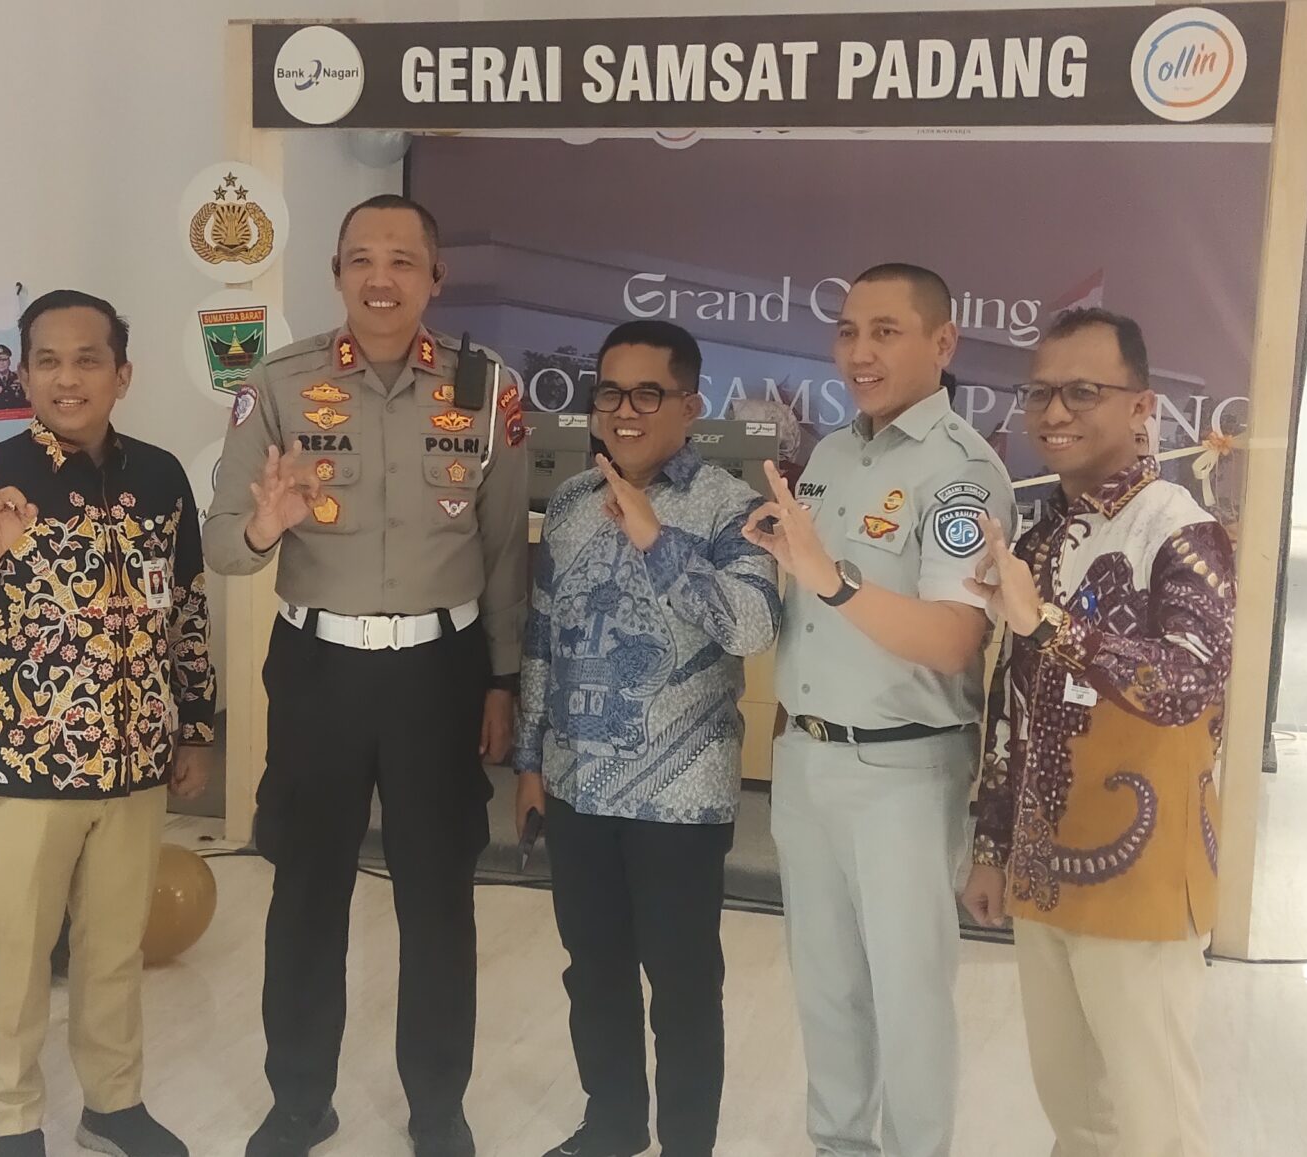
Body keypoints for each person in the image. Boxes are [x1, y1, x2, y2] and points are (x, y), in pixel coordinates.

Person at [204, 193, 529, 1157]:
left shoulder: (488, 388)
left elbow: (504, 548)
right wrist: (268, 524)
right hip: (320, 673)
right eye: (360, 259)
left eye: (402, 260)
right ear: (337, 273)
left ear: (436, 277)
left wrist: (502, 680)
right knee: (307, 893)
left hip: (441, 673)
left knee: (439, 898)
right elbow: (222, 543)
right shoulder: (277, 383)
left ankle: (437, 1106)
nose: (380, 278)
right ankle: (300, 1100)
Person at [0, 289, 216, 1157]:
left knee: (113, 948)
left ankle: (112, 1105)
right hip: (26, 765)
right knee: (16, 954)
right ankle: (12, 1120)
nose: (67, 377)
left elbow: (186, 606)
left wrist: (195, 725)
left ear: (123, 373)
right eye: (47, 360)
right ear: (23, 374)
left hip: (135, 763)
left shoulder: (160, 476)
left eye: (88, 358)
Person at [741, 264, 1012, 1157]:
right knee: (826, 989)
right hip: (807, 758)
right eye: (849, 330)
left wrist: (832, 578)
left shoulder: (961, 471)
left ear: (943, 342)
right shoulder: (829, 455)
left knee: (909, 997)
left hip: (903, 769)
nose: (860, 351)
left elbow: (954, 639)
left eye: (886, 331)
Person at [962, 307, 1234, 1157]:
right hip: (1046, 870)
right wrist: (993, 844)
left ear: (1141, 405)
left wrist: (1048, 622)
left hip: (1142, 879)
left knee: (1156, 1127)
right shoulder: (1044, 533)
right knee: (1077, 1116)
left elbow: (1188, 683)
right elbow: (1014, 697)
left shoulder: (1177, 527)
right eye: (1040, 392)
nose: (1054, 412)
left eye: (1083, 391)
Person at [515, 320, 779, 1157]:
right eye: (610, 392)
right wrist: (529, 759)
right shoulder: (567, 504)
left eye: (647, 393)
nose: (624, 410)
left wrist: (655, 541)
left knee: (683, 985)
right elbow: (542, 636)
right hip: (576, 783)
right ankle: (614, 1123)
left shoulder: (733, 507)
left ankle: (686, 1145)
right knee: (592, 968)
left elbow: (751, 626)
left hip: (680, 797)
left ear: (690, 406)